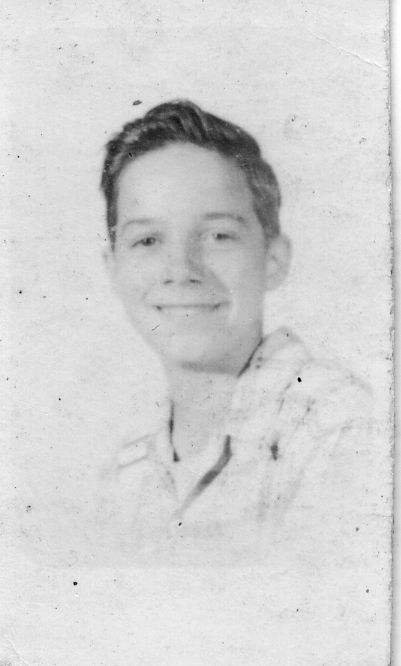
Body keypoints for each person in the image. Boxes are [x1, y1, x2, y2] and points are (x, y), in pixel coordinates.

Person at [98, 100, 376, 568]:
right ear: (114, 268)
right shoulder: (126, 476)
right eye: (147, 240)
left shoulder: (339, 428)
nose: (181, 270)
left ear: (273, 259)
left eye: (218, 235)